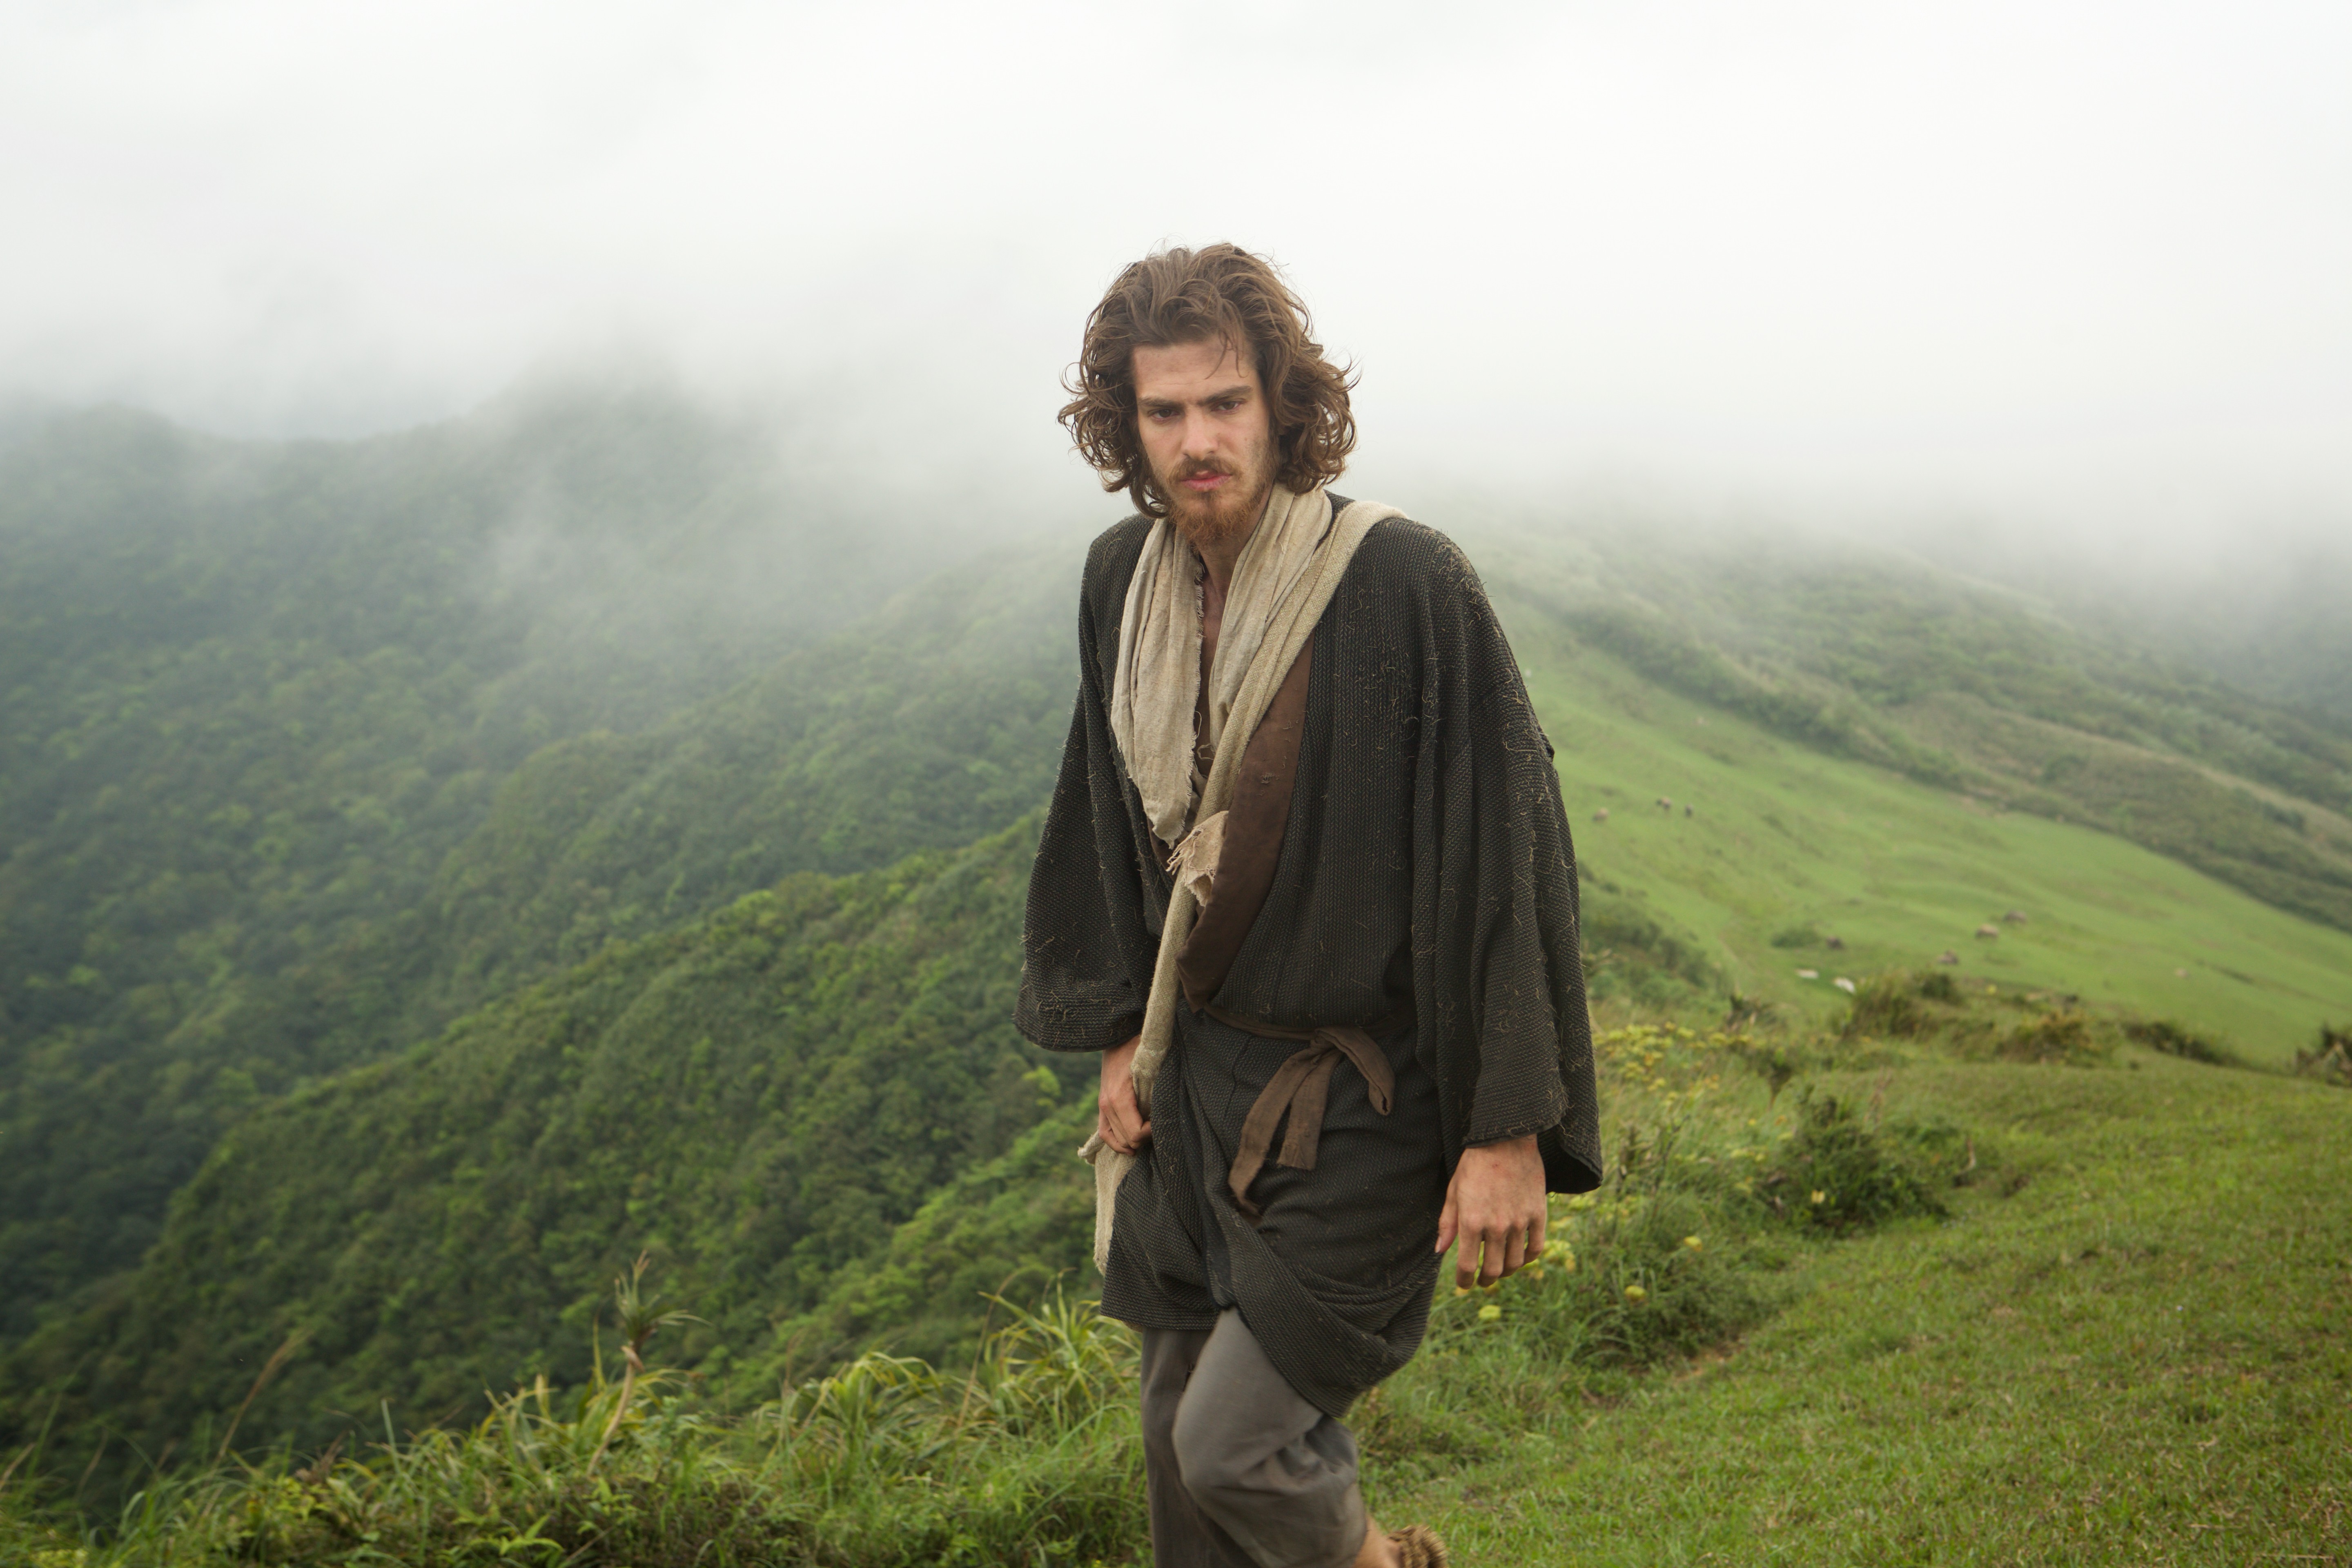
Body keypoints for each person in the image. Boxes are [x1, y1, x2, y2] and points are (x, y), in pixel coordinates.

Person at [1016, 244, 1601, 1568]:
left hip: (1363, 1102)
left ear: (1283, 405)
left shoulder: (1401, 585)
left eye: (1226, 403)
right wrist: (1122, 1035)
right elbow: (1106, 816)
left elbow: (1506, 851)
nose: (1198, 441)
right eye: (1165, 411)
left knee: (1235, 1443)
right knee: (1173, 1448)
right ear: (1124, 426)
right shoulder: (1123, 581)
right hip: (1196, 1076)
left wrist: (1508, 1128)